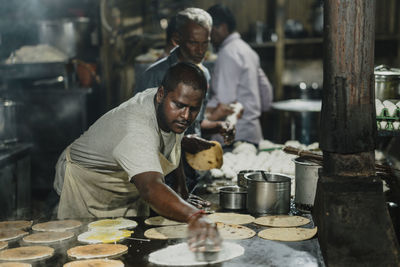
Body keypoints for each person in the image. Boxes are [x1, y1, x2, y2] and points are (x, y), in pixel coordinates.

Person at [53, 62, 221, 251]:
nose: (186, 116)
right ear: (160, 94)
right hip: (87, 185)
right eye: (180, 106)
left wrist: (181, 192)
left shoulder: (171, 108)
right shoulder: (136, 127)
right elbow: (150, 188)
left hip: (122, 183)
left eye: (193, 109)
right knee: (88, 248)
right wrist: (194, 216)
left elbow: (174, 143)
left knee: (127, 246)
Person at [135, 7, 234, 191]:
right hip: (162, 178)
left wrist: (218, 126)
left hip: (192, 173)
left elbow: (194, 122)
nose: (201, 50)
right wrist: (181, 141)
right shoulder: (155, 76)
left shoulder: (203, 74)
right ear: (177, 39)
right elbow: (141, 134)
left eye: (206, 43)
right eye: (193, 43)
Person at [206, 4, 274, 145]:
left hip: (234, 135)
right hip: (253, 132)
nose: (209, 38)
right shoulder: (247, 50)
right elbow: (266, 92)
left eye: (210, 32)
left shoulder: (227, 53)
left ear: (222, 28)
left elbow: (224, 101)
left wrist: (203, 114)